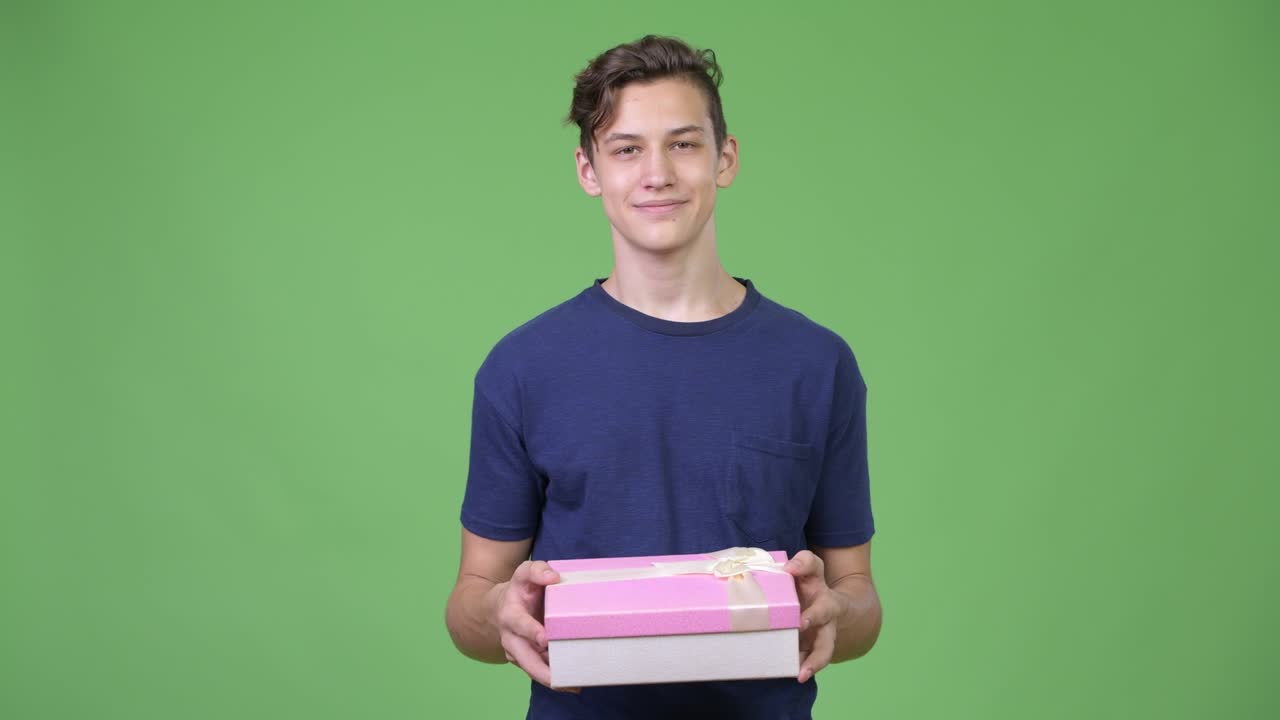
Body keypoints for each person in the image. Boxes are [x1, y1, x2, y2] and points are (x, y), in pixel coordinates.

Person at [444, 34, 882, 719]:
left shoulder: (816, 364)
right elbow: (472, 600)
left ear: (724, 157)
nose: (657, 173)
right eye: (626, 149)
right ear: (589, 170)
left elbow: (857, 596)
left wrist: (833, 612)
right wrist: (500, 612)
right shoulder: (523, 368)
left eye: (683, 143)